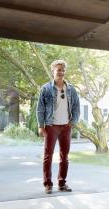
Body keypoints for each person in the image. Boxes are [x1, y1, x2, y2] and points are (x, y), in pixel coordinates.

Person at [36, 60, 80, 194]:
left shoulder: (71, 89)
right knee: (48, 156)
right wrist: (40, 125)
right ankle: (48, 184)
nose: (60, 72)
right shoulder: (46, 88)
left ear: (64, 71)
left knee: (64, 157)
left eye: (62, 69)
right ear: (53, 71)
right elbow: (40, 108)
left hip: (66, 127)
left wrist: (73, 122)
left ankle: (62, 183)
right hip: (51, 126)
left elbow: (76, 107)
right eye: (58, 69)